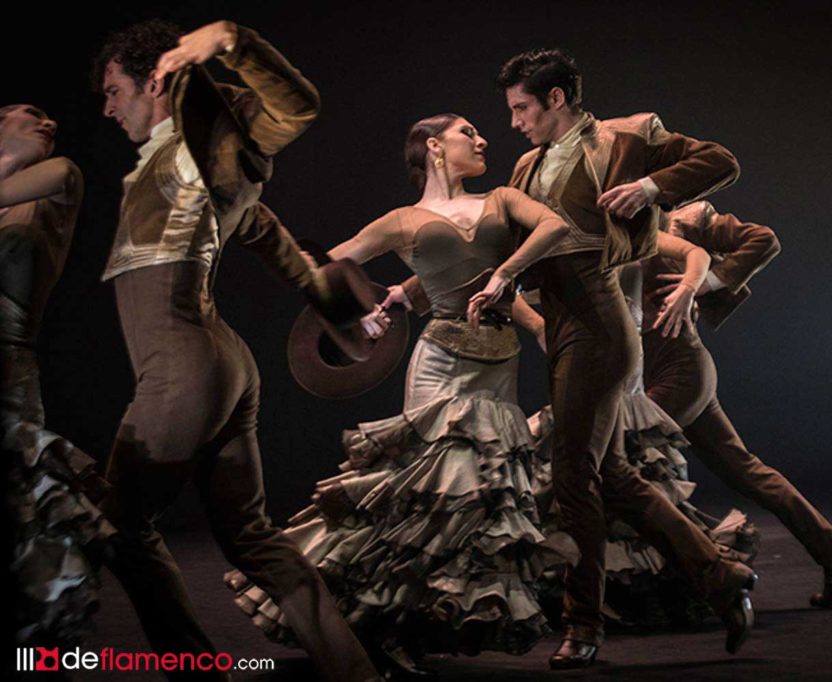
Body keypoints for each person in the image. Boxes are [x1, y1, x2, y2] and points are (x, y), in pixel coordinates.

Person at [227, 112, 584, 671]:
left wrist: (503, 275)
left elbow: (554, 227)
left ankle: (421, 621)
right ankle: (383, 624)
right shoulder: (402, 219)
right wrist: (353, 314)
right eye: (468, 132)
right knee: (425, 493)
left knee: (476, 498)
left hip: (498, 361)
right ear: (434, 147)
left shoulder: (502, 199)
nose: (483, 137)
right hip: (440, 363)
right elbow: (324, 266)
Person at [93, 19, 377, 681]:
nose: (107, 107)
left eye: (114, 89)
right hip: (221, 364)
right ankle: (356, 672)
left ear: (154, 79)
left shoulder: (210, 143)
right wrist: (327, 297)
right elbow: (266, 231)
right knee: (250, 537)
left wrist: (227, 39)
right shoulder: (188, 162)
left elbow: (297, 106)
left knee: (120, 527)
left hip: (183, 364)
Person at [492, 48, 756, 668]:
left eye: (521, 107)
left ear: (556, 98)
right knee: (611, 476)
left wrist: (649, 187)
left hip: (601, 318)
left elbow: (721, 160)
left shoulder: (626, 135)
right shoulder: (528, 163)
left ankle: (583, 625)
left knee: (573, 473)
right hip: (560, 322)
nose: (514, 122)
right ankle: (722, 580)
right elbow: (515, 240)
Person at [643, 200, 832, 607]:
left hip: (679, 370)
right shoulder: (604, 212)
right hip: (670, 371)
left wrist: (705, 283)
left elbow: (762, 240)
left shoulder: (685, 216)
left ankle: (715, 575)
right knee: (748, 472)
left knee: (614, 466)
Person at [523, 260, 760, 628]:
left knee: (581, 480)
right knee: (611, 480)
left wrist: (691, 287)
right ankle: (716, 575)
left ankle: (585, 623)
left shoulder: (615, 226)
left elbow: (699, 250)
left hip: (608, 363)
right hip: (586, 357)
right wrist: (536, 321)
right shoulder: (553, 223)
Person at [1, 103, 115, 647]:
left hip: (8, 371)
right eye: (30, 114)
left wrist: (10, 151)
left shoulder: (57, 178)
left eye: (51, 116)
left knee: (20, 516)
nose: (48, 121)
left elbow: (51, 168)